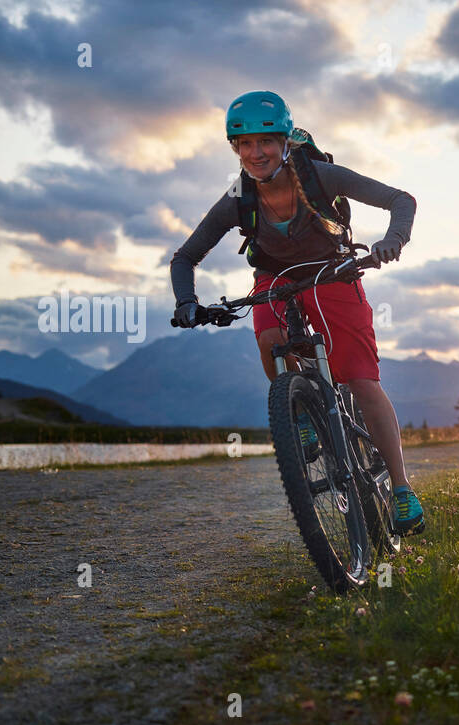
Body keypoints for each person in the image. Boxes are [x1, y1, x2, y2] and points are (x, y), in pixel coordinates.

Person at [169, 90, 425, 534]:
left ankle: (401, 490)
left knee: (361, 379)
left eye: (265, 141)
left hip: (333, 269)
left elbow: (401, 199)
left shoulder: (320, 176)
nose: (256, 152)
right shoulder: (238, 197)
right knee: (270, 340)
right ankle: (302, 408)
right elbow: (185, 257)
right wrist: (187, 302)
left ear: (285, 139)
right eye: (244, 144)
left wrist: (393, 240)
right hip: (274, 277)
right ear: (234, 148)